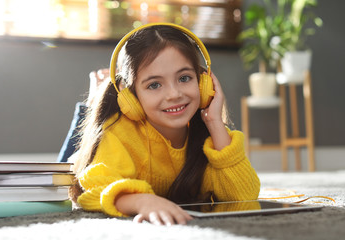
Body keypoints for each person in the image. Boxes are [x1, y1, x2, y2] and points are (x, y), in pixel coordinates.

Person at [69, 23, 260, 226]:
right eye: (154, 84)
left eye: (184, 78)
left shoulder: (207, 136)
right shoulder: (118, 132)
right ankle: (90, 103)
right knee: (68, 164)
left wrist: (214, 122)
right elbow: (93, 191)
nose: (174, 94)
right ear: (130, 96)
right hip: (78, 163)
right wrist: (142, 201)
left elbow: (244, 196)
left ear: (204, 82)